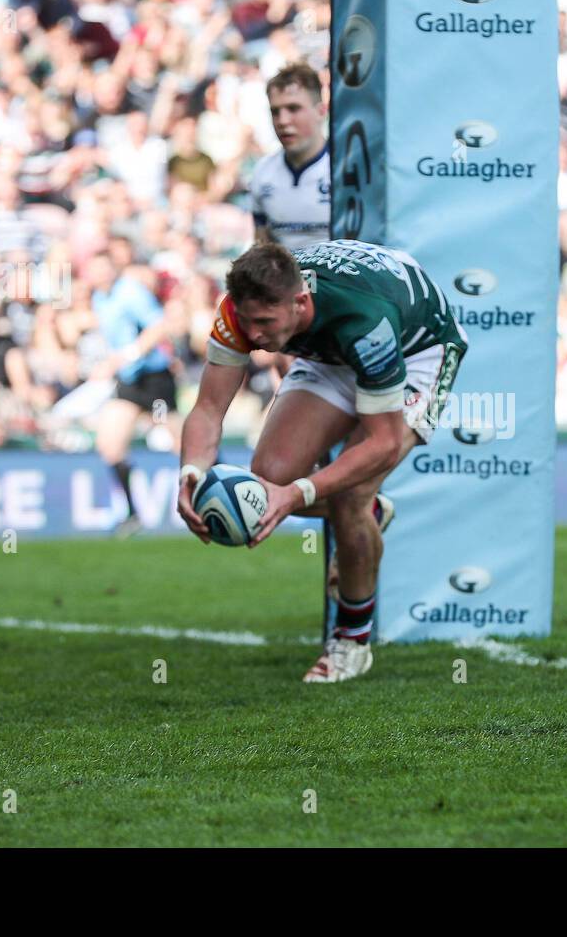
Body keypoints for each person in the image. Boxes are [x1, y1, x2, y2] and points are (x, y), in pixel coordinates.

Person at [176, 240, 468, 683]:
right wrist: (191, 472)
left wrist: (299, 494)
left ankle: (352, 639)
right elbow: (208, 408)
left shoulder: (364, 321)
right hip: (331, 352)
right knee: (267, 479)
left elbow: (383, 444)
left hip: (415, 348)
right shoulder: (240, 312)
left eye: (265, 323)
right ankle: (367, 513)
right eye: (248, 322)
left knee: (350, 495)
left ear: (299, 302)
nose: (254, 336)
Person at [90, 251, 181, 537]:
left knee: (186, 446)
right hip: (130, 382)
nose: (101, 274)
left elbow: (159, 327)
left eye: (105, 267)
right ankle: (132, 513)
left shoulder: (130, 292)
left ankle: (228, 495)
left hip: (154, 379)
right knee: (109, 446)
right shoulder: (99, 299)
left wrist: (124, 357)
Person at [247, 62, 331, 250]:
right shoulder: (263, 172)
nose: (283, 121)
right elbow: (262, 248)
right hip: (286, 278)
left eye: (293, 109)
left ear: (321, 111)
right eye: (275, 112)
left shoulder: (346, 170)